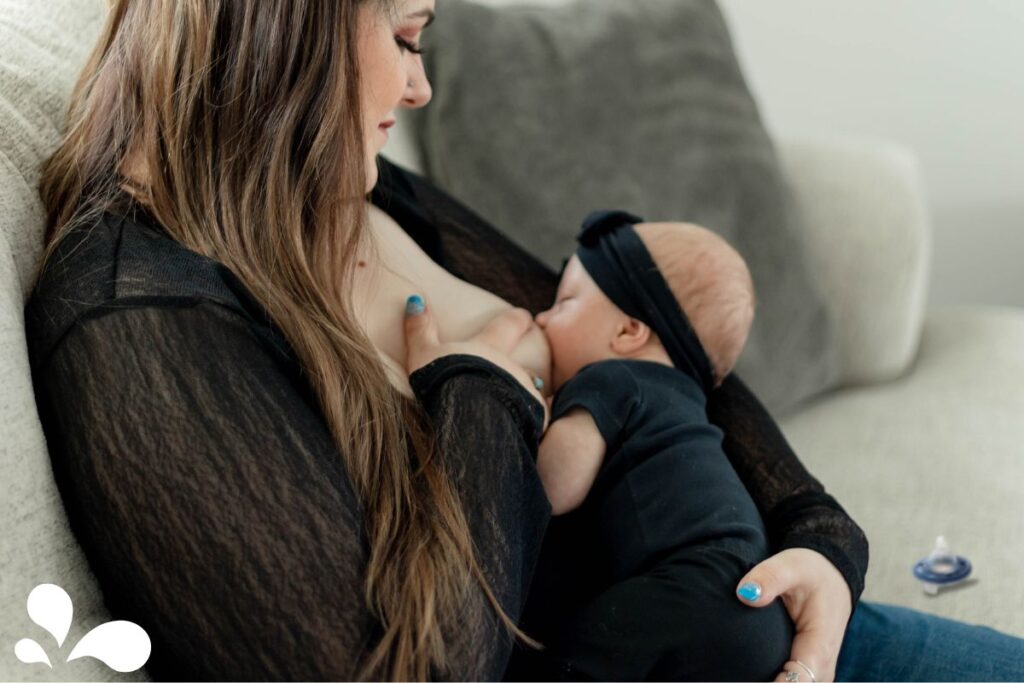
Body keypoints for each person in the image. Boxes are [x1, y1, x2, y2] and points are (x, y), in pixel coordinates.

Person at [21, 0, 1024, 680]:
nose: (418, 90)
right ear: (297, 28)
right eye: (408, 35)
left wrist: (818, 547)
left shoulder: (346, 191)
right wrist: (481, 386)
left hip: (776, 632)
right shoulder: (139, 320)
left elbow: (659, 352)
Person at [519, 209, 793, 680]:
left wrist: (535, 417)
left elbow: (557, 485)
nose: (542, 317)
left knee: (572, 656)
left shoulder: (607, 379)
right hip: (762, 612)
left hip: (688, 586)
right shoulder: (686, 400)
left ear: (628, 332)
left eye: (564, 302)